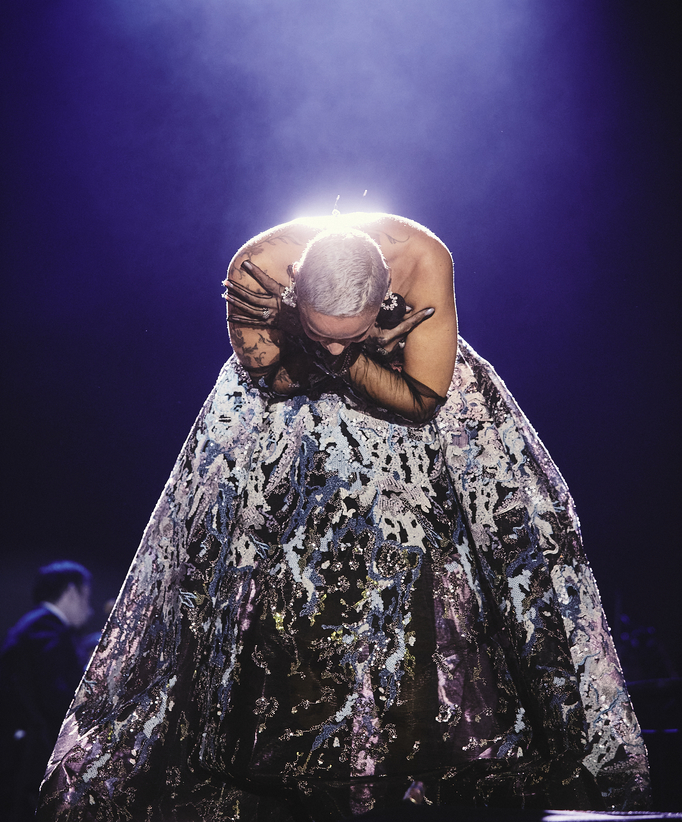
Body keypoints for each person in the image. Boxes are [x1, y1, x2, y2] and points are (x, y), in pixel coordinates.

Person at [37, 213, 649, 820]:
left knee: (464, 565)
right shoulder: (257, 268)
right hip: (283, 422)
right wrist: (360, 356)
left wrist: (350, 363)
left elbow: (423, 400)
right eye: (318, 330)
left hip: (416, 423)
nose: (333, 344)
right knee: (262, 583)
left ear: (387, 294)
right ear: (293, 288)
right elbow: (270, 379)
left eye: (348, 333)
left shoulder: (423, 258)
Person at [0, 561, 92, 822]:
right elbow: (57, 697)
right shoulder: (47, 629)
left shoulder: (35, 625)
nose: (90, 607)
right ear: (72, 592)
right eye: (87, 595)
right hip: (27, 755)